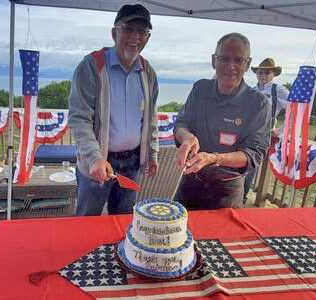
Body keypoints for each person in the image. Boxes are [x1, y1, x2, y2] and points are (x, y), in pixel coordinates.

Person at [68, 4, 159, 216]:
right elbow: (79, 118)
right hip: (98, 162)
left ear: (147, 37)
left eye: (142, 31)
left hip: (131, 163)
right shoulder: (91, 67)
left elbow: (151, 117)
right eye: (128, 29)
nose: (135, 37)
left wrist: (152, 153)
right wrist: (94, 157)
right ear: (114, 32)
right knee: (87, 222)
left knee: (123, 223)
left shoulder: (148, 72)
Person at [173, 33, 272, 210]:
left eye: (238, 60)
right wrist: (187, 137)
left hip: (227, 192)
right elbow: (181, 123)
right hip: (190, 184)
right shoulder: (200, 89)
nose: (230, 67)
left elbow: (254, 154)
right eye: (224, 59)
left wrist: (214, 158)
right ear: (214, 60)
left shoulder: (258, 103)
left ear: (247, 64)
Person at [242, 58, 289, 204]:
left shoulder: (278, 90)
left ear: (273, 74)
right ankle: (235, 196)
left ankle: (241, 198)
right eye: (260, 72)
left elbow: (294, 110)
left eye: (267, 72)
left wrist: (281, 130)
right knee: (240, 164)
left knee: (251, 164)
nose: (263, 75)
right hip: (245, 132)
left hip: (263, 134)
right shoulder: (252, 90)